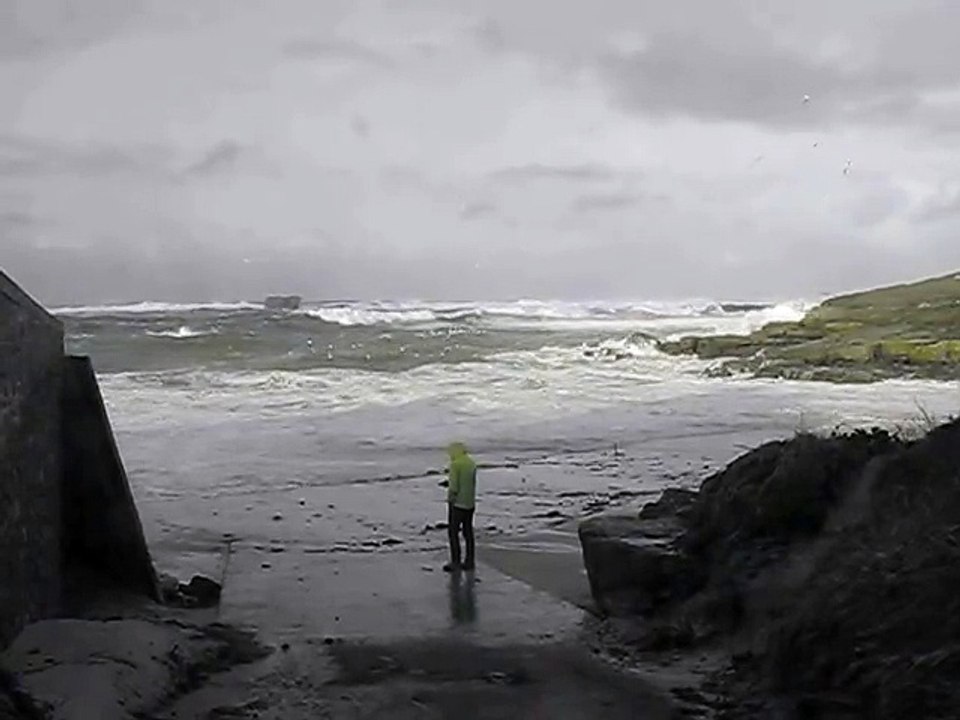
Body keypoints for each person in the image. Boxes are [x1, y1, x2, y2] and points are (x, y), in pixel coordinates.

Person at [443, 442, 477, 572]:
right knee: (468, 532)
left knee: (453, 532)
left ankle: (455, 562)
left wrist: (450, 500)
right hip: (470, 503)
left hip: (458, 504)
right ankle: (470, 561)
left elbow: (454, 487)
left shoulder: (455, 465)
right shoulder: (471, 463)